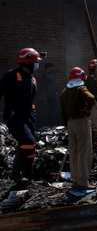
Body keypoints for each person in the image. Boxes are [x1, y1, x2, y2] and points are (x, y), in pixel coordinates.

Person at [0, 48, 45, 183]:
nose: (37, 64)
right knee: (27, 142)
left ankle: (28, 175)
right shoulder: (12, 75)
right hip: (15, 116)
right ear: (28, 61)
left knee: (31, 146)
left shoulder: (32, 80)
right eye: (36, 61)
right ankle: (16, 173)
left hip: (29, 116)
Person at [60, 67, 96, 191]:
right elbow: (91, 98)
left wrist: (67, 123)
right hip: (81, 122)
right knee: (84, 152)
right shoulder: (81, 88)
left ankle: (75, 180)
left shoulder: (64, 92)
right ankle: (83, 182)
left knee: (73, 152)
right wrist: (87, 109)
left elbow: (62, 111)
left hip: (70, 123)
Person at [85, 59, 97, 153]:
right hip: (94, 104)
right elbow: (93, 87)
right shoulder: (90, 79)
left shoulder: (94, 79)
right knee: (96, 124)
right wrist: (96, 77)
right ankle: (96, 143)